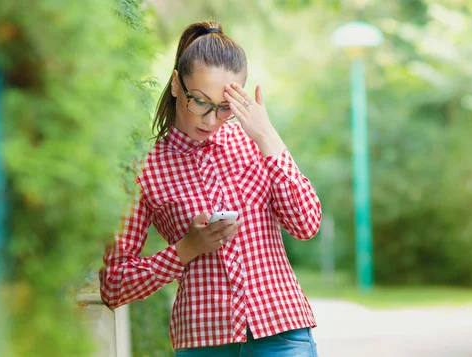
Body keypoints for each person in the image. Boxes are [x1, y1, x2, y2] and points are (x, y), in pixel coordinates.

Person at [100, 21, 322, 357]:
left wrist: (268, 138)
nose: (209, 120)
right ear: (177, 84)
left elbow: (306, 224)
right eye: (200, 102)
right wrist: (185, 249)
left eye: (224, 108)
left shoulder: (255, 140)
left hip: (282, 333)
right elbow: (113, 284)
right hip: (204, 342)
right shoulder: (143, 168)